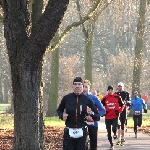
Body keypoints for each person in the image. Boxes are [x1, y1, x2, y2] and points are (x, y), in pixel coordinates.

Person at [56, 77, 100, 150]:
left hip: (82, 132)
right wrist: (61, 116)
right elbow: (59, 110)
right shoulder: (67, 98)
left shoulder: (87, 100)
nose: (77, 86)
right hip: (69, 131)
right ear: (73, 86)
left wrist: (91, 113)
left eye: (79, 84)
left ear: (82, 86)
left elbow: (97, 116)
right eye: (75, 84)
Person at [83, 80, 106, 150]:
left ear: (89, 88)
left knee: (93, 146)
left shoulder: (94, 98)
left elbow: (103, 110)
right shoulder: (78, 98)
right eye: (83, 86)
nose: (84, 89)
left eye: (86, 87)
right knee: (82, 145)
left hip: (93, 124)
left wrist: (96, 116)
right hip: (82, 124)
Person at [101, 85, 125, 150]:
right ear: (107, 91)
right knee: (108, 132)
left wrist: (119, 111)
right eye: (109, 90)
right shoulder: (105, 98)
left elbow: (123, 105)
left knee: (114, 128)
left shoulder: (117, 97)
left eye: (111, 90)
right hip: (108, 117)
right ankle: (111, 144)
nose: (110, 91)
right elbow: (100, 106)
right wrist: (102, 113)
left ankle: (115, 133)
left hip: (115, 116)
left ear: (113, 90)